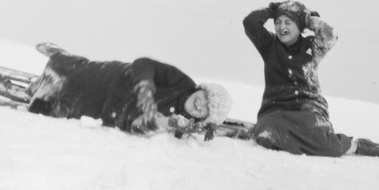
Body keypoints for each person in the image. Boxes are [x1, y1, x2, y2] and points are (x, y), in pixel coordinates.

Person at [242, 0, 379, 159]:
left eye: (288, 22)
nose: (281, 27)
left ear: (299, 26)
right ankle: (294, 135)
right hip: (276, 109)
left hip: (308, 108)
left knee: (326, 145)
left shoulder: (311, 47)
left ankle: (357, 146)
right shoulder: (269, 45)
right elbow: (250, 23)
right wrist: (270, 11)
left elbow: (330, 35)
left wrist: (309, 19)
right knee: (266, 135)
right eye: (278, 22)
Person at [26, 45, 233, 139]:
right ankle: (62, 58)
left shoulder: (179, 124)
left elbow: (138, 127)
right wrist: (145, 86)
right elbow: (144, 63)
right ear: (201, 90)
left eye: (206, 109)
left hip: (106, 110)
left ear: (202, 118)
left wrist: (164, 122)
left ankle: (38, 89)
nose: (201, 104)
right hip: (116, 80)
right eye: (206, 98)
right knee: (76, 73)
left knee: (50, 106)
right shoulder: (182, 82)